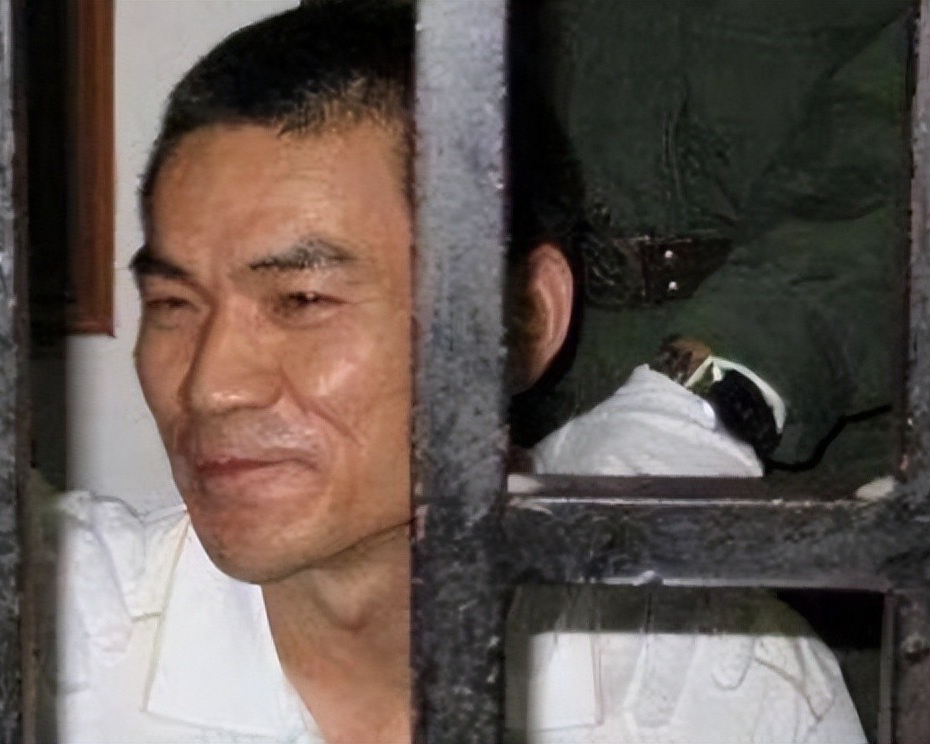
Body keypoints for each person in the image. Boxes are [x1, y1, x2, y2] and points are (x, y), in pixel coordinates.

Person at [50, 2, 866, 742]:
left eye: (302, 300)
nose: (209, 387)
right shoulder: (54, 639)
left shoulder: (717, 693)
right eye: (173, 304)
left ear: (526, 319)